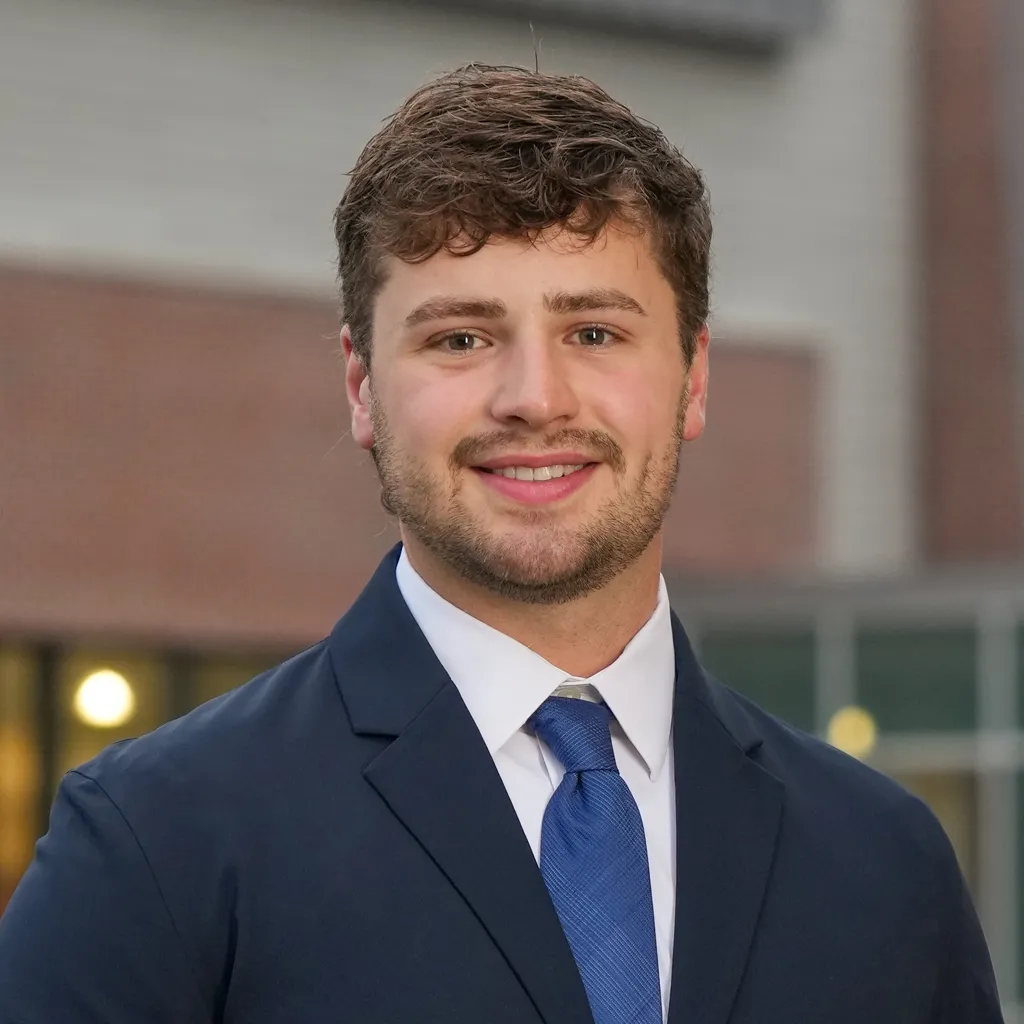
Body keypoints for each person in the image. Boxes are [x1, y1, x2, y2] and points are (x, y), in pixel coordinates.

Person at [0, 64, 1003, 1024]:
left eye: (595, 333)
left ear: (693, 377)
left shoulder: (883, 859)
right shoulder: (157, 842)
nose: (534, 397)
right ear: (361, 386)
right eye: (460, 338)